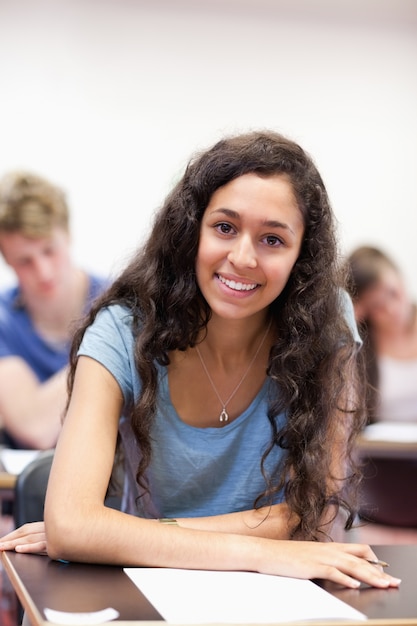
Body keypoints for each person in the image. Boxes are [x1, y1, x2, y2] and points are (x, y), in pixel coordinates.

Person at [0, 131, 400, 590]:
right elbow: (72, 525)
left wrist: (119, 534)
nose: (242, 257)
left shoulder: (328, 322)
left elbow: (311, 516)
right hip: (146, 589)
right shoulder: (122, 327)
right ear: (192, 230)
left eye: (273, 239)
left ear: (300, 257)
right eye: (224, 228)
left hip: (278, 593)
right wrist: (263, 550)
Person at [0, 171, 108, 449]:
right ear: (7, 260)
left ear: (68, 235)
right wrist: (109, 349)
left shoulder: (121, 301)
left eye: (49, 251)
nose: (43, 272)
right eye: (25, 261)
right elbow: (35, 429)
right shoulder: (5, 322)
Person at [345, 245, 417, 423]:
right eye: (377, 306)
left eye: (393, 293)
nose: (392, 309)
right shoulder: (360, 346)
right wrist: (347, 320)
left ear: (400, 278)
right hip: (379, 449)